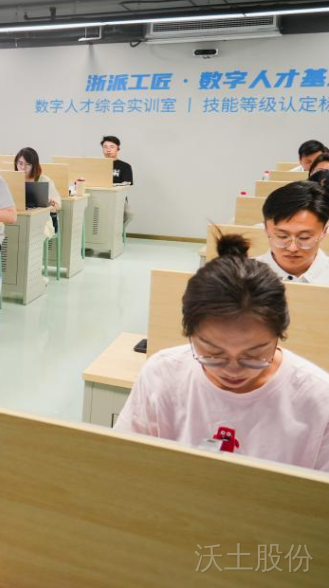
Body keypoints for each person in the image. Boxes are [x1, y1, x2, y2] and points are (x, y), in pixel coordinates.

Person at [115, 234, 329, 471]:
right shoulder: (162, 374)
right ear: (189, 334)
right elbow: (124, 464)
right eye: (214, 354)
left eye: (253, 355)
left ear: (279, 335)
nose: (233, 370)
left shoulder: (318, 399)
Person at [255, 181, 329, 285]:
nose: (292, 248)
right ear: (266, 229)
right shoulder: (241, 276)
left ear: (324, 231)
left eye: (304, 237)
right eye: (282, 236)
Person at [15, 147, 60, 212]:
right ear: (16, 163)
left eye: (28, 164)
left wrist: (51, 203)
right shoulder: (12, 180)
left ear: (34, 166)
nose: (23, 167)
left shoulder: (44, 180)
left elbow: (58, 206)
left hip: (41, 216)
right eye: (20, 163)